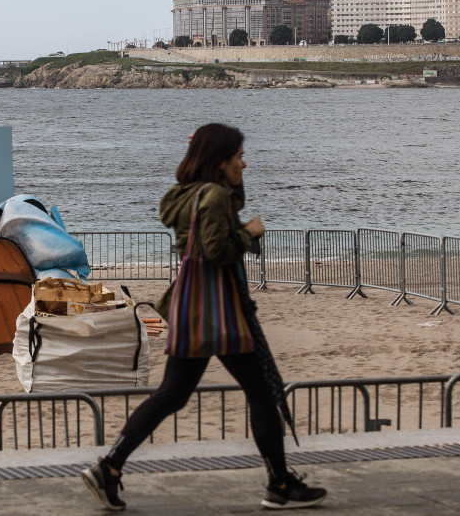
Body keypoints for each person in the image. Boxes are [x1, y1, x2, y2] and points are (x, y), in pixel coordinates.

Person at [80, 124, 327, 511]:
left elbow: (222, 214)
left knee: (172, 395)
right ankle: (279, 484)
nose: (245, 164)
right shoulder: (212, 196)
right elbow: (214, 251)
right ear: (220, 161)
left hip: (193, 309)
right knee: (260, 393)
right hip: (220, 311)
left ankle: (109, 467)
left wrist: (233, 195)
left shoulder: (189, 195)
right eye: (238, 157)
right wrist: (248, 234)